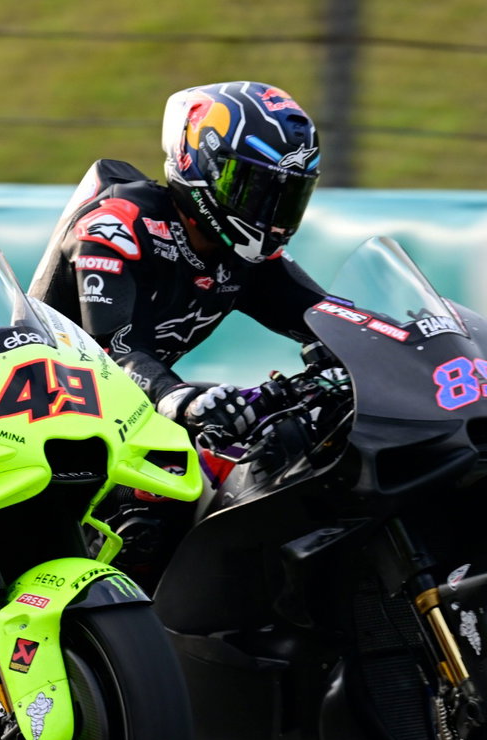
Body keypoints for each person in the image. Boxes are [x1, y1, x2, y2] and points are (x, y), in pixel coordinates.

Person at [27, 81, 330, 581]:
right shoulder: (118, 224)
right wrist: (183, 400)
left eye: (285, 197)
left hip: (137, 417)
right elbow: (111, 349)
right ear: (200, 168)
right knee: (173, 501)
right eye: (255, 190)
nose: (271, 216)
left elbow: (331, 318)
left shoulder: (248, 257)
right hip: (49, 419)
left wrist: (406, 345)